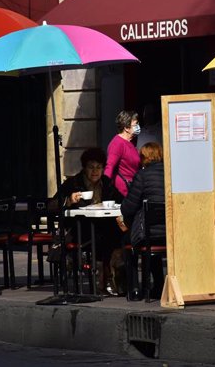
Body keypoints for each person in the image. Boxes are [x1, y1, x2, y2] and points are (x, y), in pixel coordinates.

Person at [56, 147, 124, 295]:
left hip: (104, 227)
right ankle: (104, 280)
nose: (95, 171)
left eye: (99, 167)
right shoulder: (73, 183)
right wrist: (69, 200)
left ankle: (114, 279)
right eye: (91, 167)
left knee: (119, 236)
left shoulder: (106, 183)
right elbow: (52, 204)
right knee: (102, 238)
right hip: (80, 229)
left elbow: (121, 200)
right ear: (84, 168)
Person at [119, 142, 166, 301]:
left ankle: (134, 289)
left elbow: (128, 208)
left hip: (147, 234)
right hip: (169, 234)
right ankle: (159, 285)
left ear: (144, 157)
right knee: (152, 248)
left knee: (128, 240)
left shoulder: (142, 176)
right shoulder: (171, 174)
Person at [104, 110, 141, 198]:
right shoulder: (117, 143)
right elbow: (109, 166)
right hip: (123, 192)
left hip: (133, 189)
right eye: (135, 124)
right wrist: (105, 189)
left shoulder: (130, 143)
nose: (138, 127)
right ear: (126, 128)